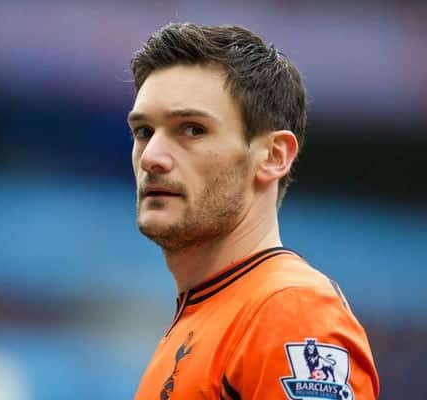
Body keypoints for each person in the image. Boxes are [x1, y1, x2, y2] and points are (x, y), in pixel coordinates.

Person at [127, 22, 379, 400]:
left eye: (192, 130)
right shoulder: (205, 318)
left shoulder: (291, 312)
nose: (152, 157)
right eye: (144, 131)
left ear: (273, 156)